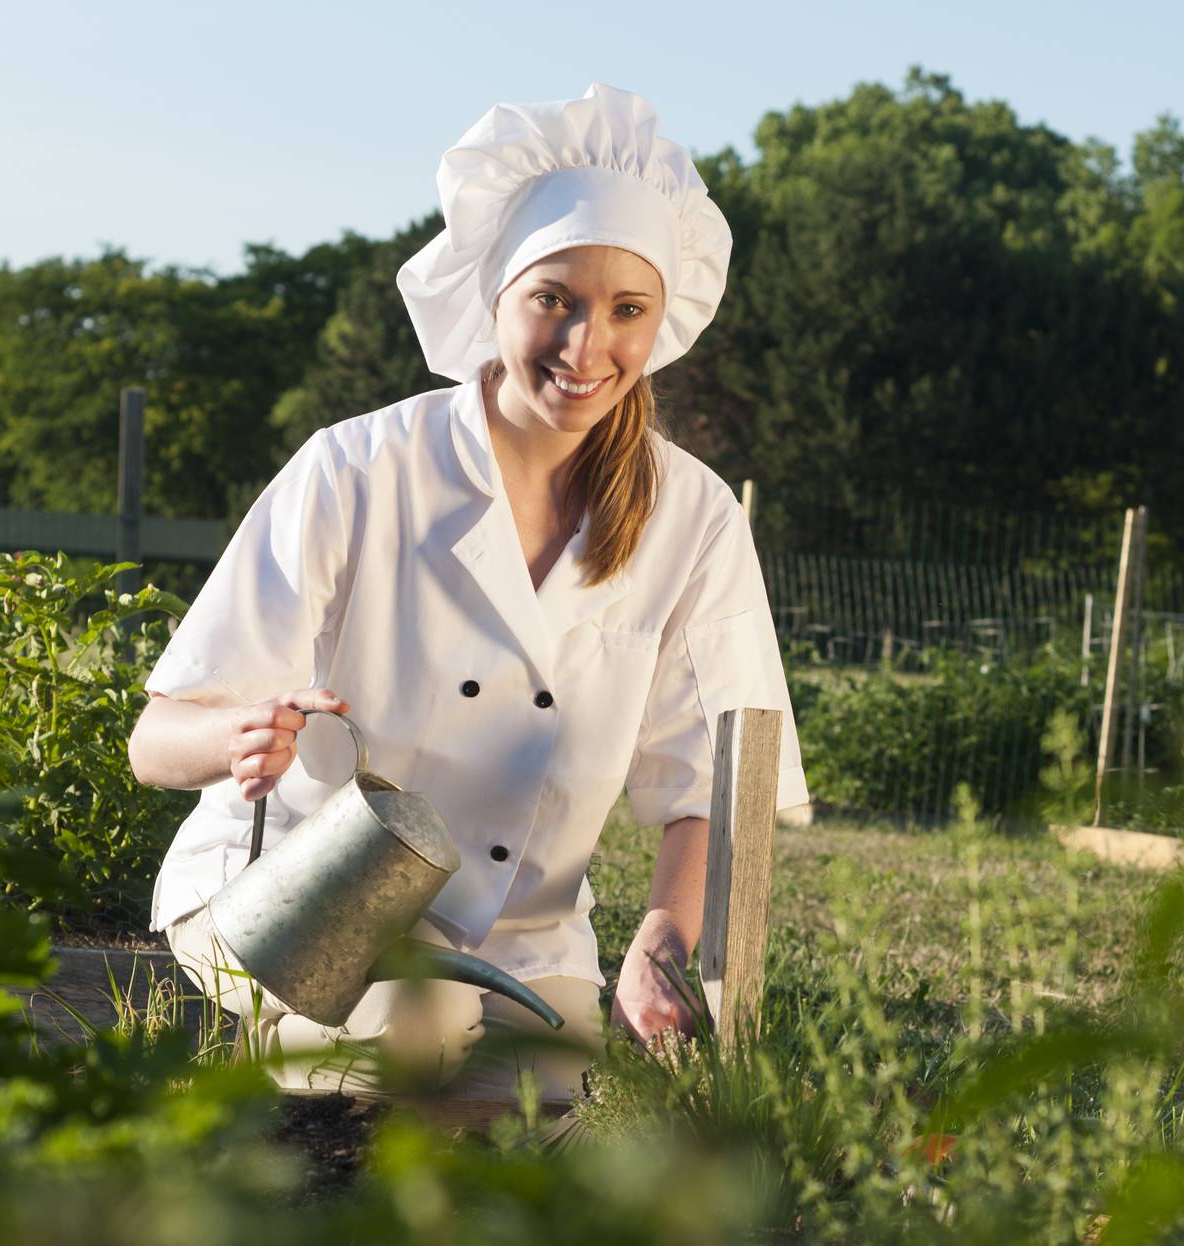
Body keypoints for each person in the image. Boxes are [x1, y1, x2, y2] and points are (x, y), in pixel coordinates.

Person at [126, 83, 808, 1104]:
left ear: (664, 322)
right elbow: (154, 739)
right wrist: (241, 734)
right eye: (555, 302)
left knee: (532, 1108)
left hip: (526, 938)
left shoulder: (693, 515)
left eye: (627, 311)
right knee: (415, 1032)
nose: (588, 348)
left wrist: (664, 932)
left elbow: (713, 774)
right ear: (494, 295)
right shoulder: (357, 470)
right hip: (296, 901)